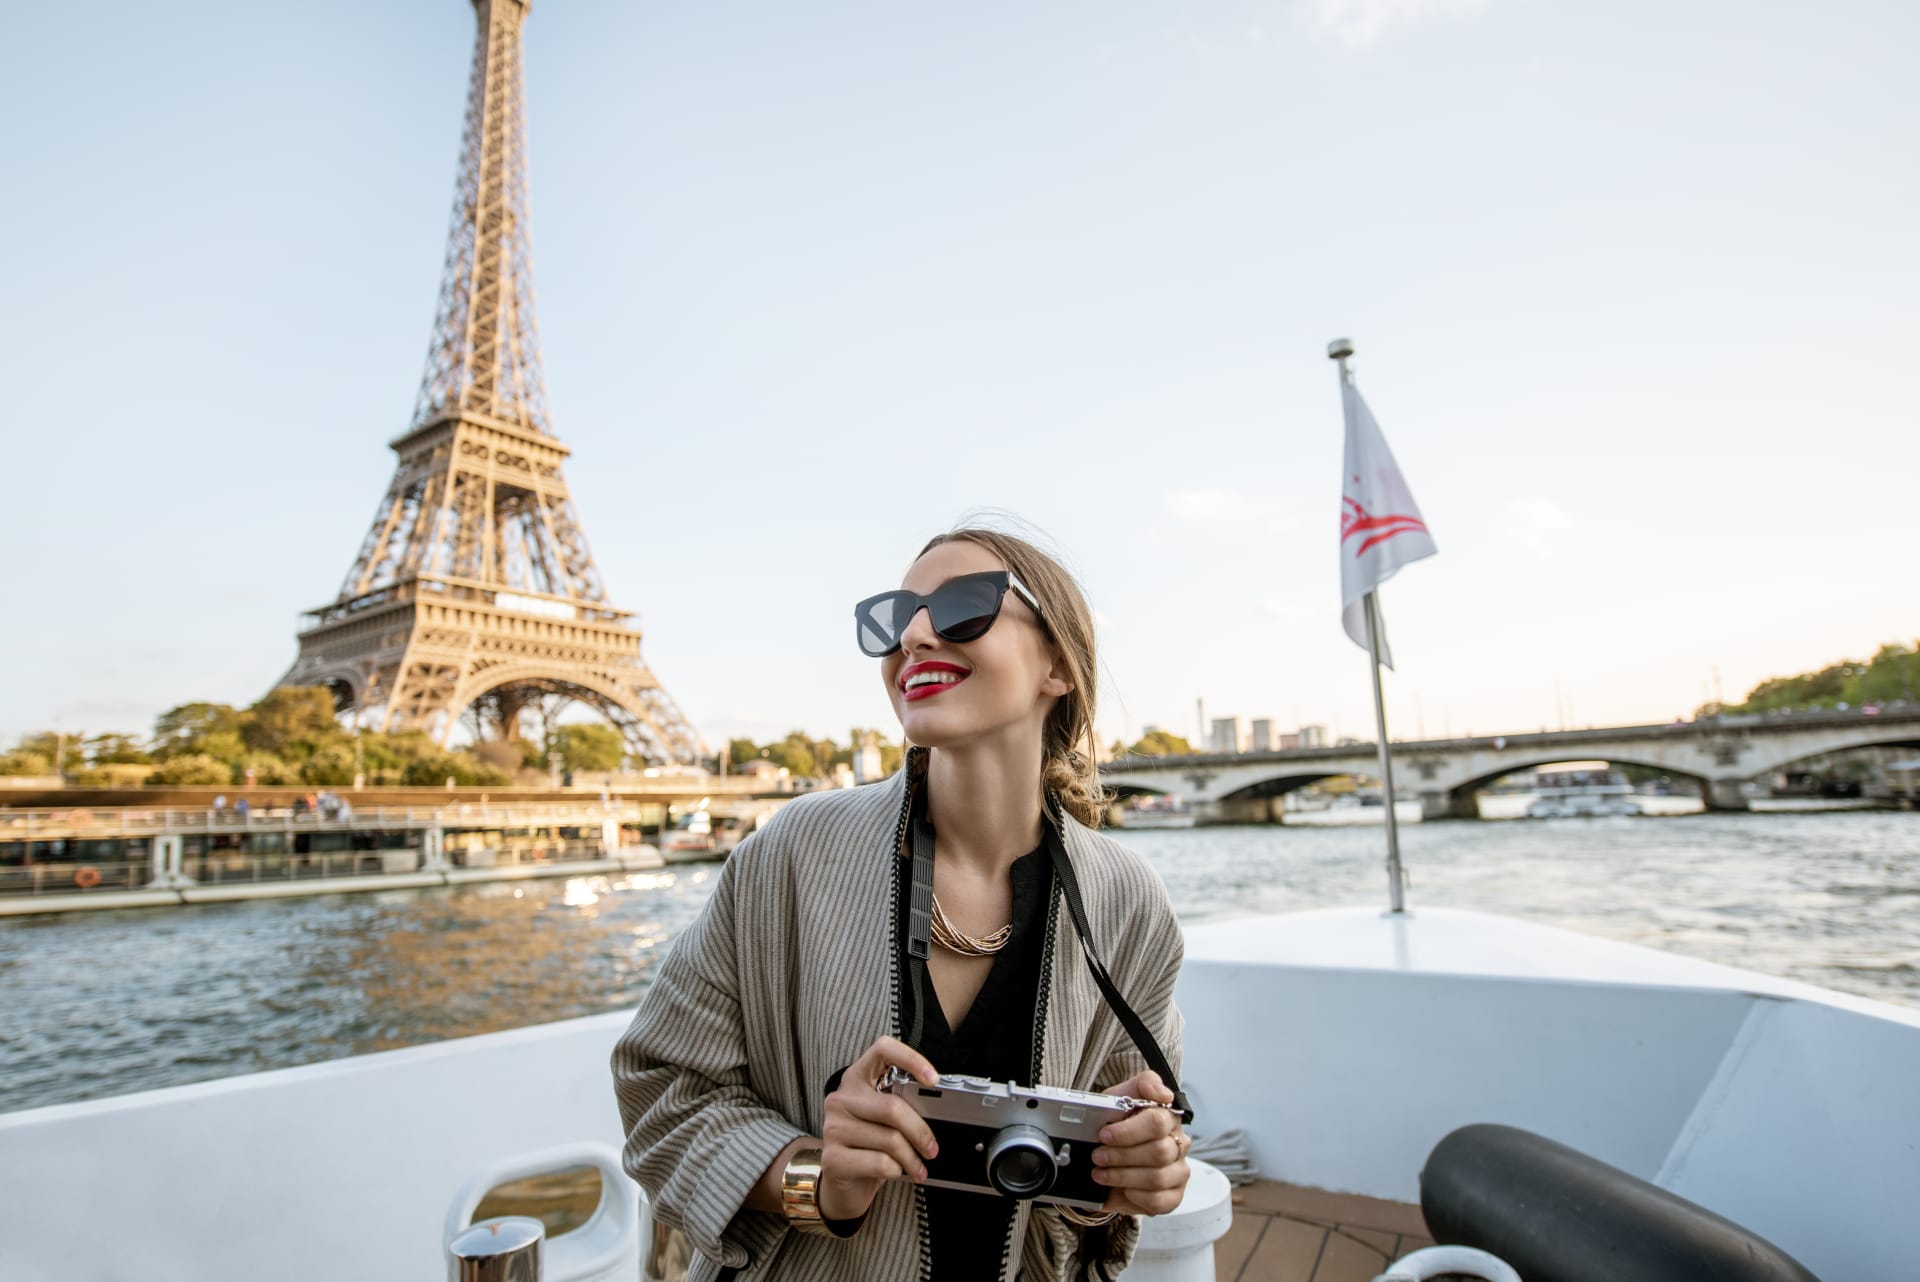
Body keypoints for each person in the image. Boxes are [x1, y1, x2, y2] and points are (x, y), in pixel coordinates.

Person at [612, 527, 1190, 1282]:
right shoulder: (792, 851)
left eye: (961, 607)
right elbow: (661, 1089)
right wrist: (814, 1176)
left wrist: (1130, 1177)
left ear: (1058, 663)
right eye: (895, 616)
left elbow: (1119, 1155)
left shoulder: (1129, 903)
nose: (914, 636)